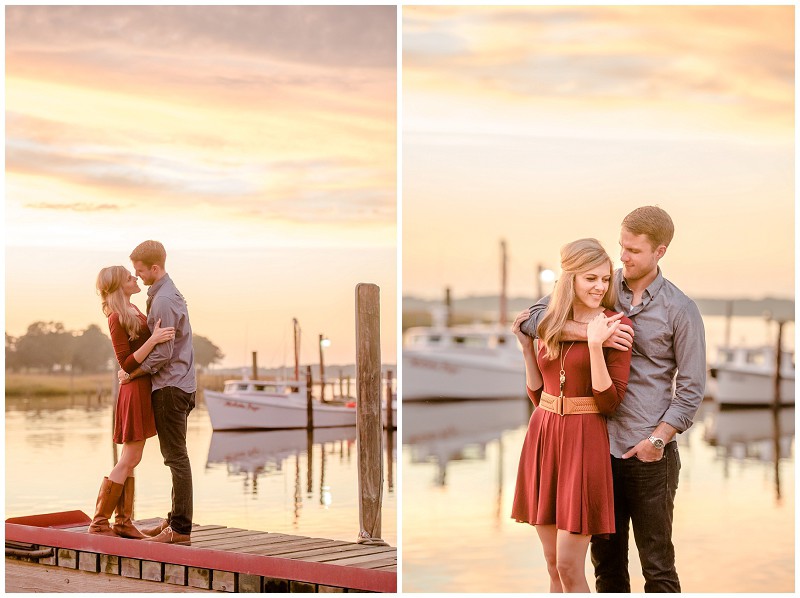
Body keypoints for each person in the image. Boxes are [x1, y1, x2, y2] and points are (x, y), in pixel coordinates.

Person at [521, 206, 706, 593]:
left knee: (657, 568)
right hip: (593, 450)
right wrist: (587, 332)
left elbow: (690, 390)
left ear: (660, 251)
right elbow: (534, 318)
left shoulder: (681, 310)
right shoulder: (599, 285)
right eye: (622, 247)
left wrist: (657, 441)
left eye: (633, 251)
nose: (623, 257)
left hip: (646, 452)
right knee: (607, 570)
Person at [511, 238, 632, 593]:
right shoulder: (551, 323)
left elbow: (609, 402)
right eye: (590, 279)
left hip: (584, 439)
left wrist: (596, 345)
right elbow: (537, 393)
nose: (599, 287)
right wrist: (525, 348)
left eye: (605, 279)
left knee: (568, 565)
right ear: (571, 279)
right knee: (552, 566)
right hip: (544, 435)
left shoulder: (616, 325)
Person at [120, 240, 197, 544]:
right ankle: (174, 520)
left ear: (155, 267)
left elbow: (163, 355)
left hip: (169, 386)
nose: (137, 276)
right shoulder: (166, 293)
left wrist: (132, 372)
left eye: (140, 271)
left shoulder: (163, 299)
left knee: (175, 458)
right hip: (181, 383)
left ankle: (179, 529)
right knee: (176, 456)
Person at [90, 266, 175, 537]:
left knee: (131, 458)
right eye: (129, 277)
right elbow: (125, 362)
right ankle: (101, 522)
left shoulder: (134, 310)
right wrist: (155, 340)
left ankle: (123, 522)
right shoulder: (116, 317)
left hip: (140, 387)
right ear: (118, 286)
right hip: (134, 391)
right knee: (130, 457)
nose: (135, 278)